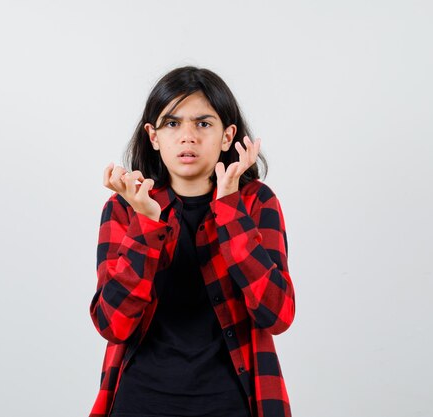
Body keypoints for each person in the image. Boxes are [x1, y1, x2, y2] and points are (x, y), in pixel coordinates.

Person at [89, 66, 296, 417]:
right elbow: (112, 324)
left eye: (203, 123)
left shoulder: (256, 202)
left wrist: (230, 210)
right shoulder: (125, 207)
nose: (188, 137)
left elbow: (276, 315)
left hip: (231, 403)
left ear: (227, 136)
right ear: (153, 136)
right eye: (172, 123)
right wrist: (146, 224)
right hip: (139, 401)